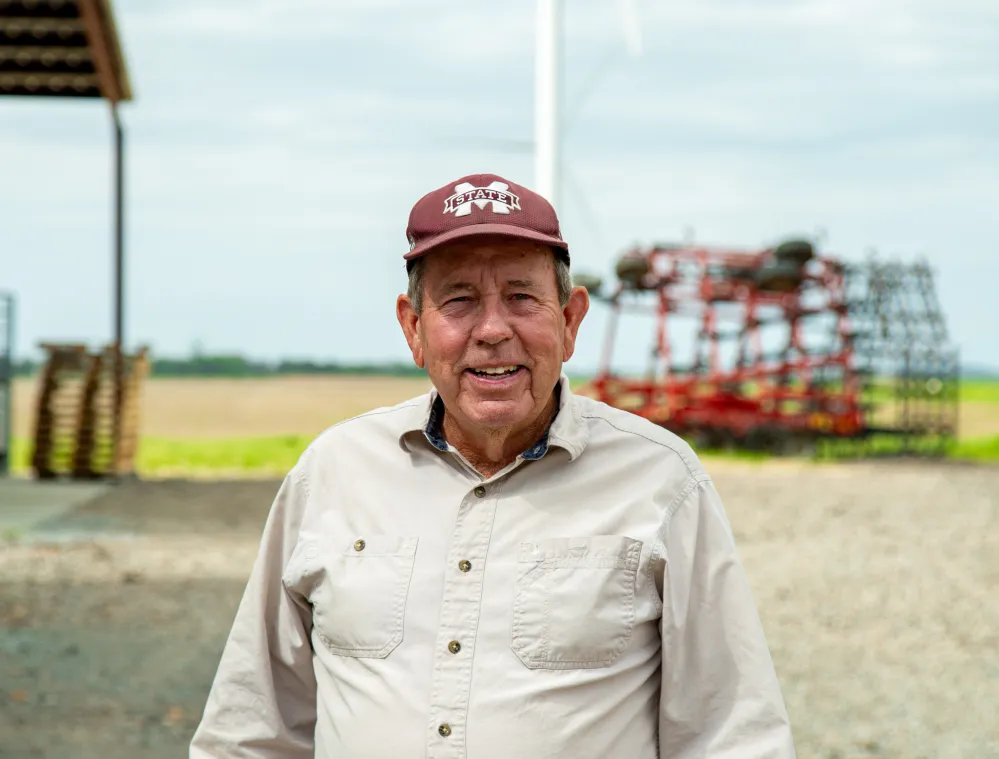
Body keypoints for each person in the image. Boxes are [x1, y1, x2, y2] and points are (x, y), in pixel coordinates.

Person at [189, 173, 796, 758]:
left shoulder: (663, 481)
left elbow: (732, 736)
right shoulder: (332, 473)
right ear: (413, 328)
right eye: (459, 300)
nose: (493, 330)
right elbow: (250, 731)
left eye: (521, 297)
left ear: (569, 321)